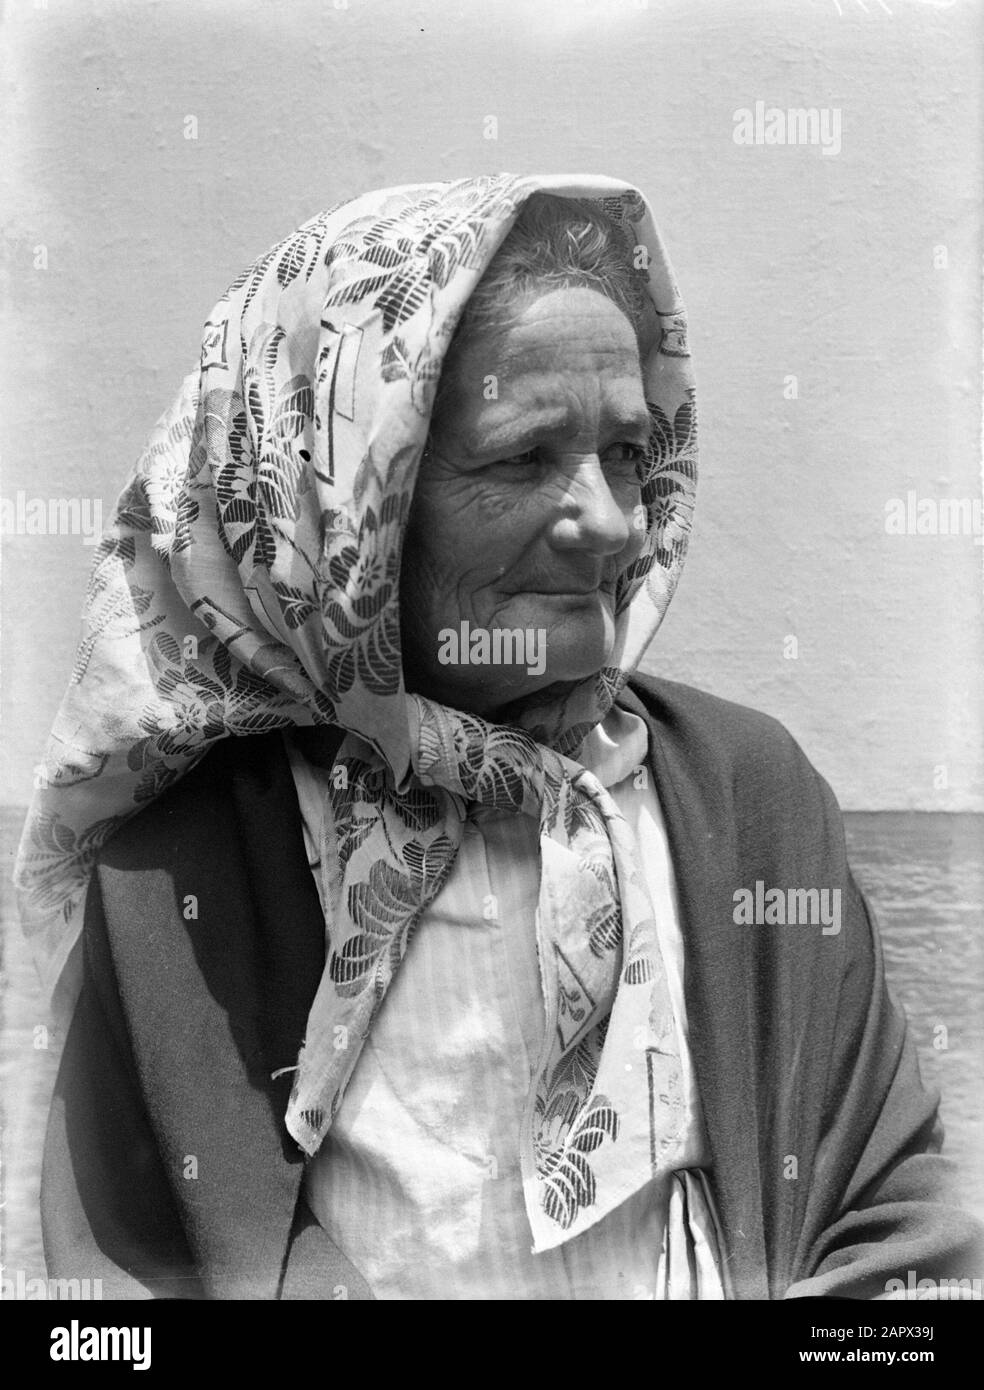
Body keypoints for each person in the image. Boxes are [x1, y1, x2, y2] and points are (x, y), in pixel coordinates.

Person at [14, 173, 981, 1301]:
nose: (615, 521)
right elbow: (110, 1296)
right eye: (521, 459)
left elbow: (892, 1231)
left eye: (627, 452)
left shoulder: (747, 800)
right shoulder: (169, 879)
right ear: (338, 509)